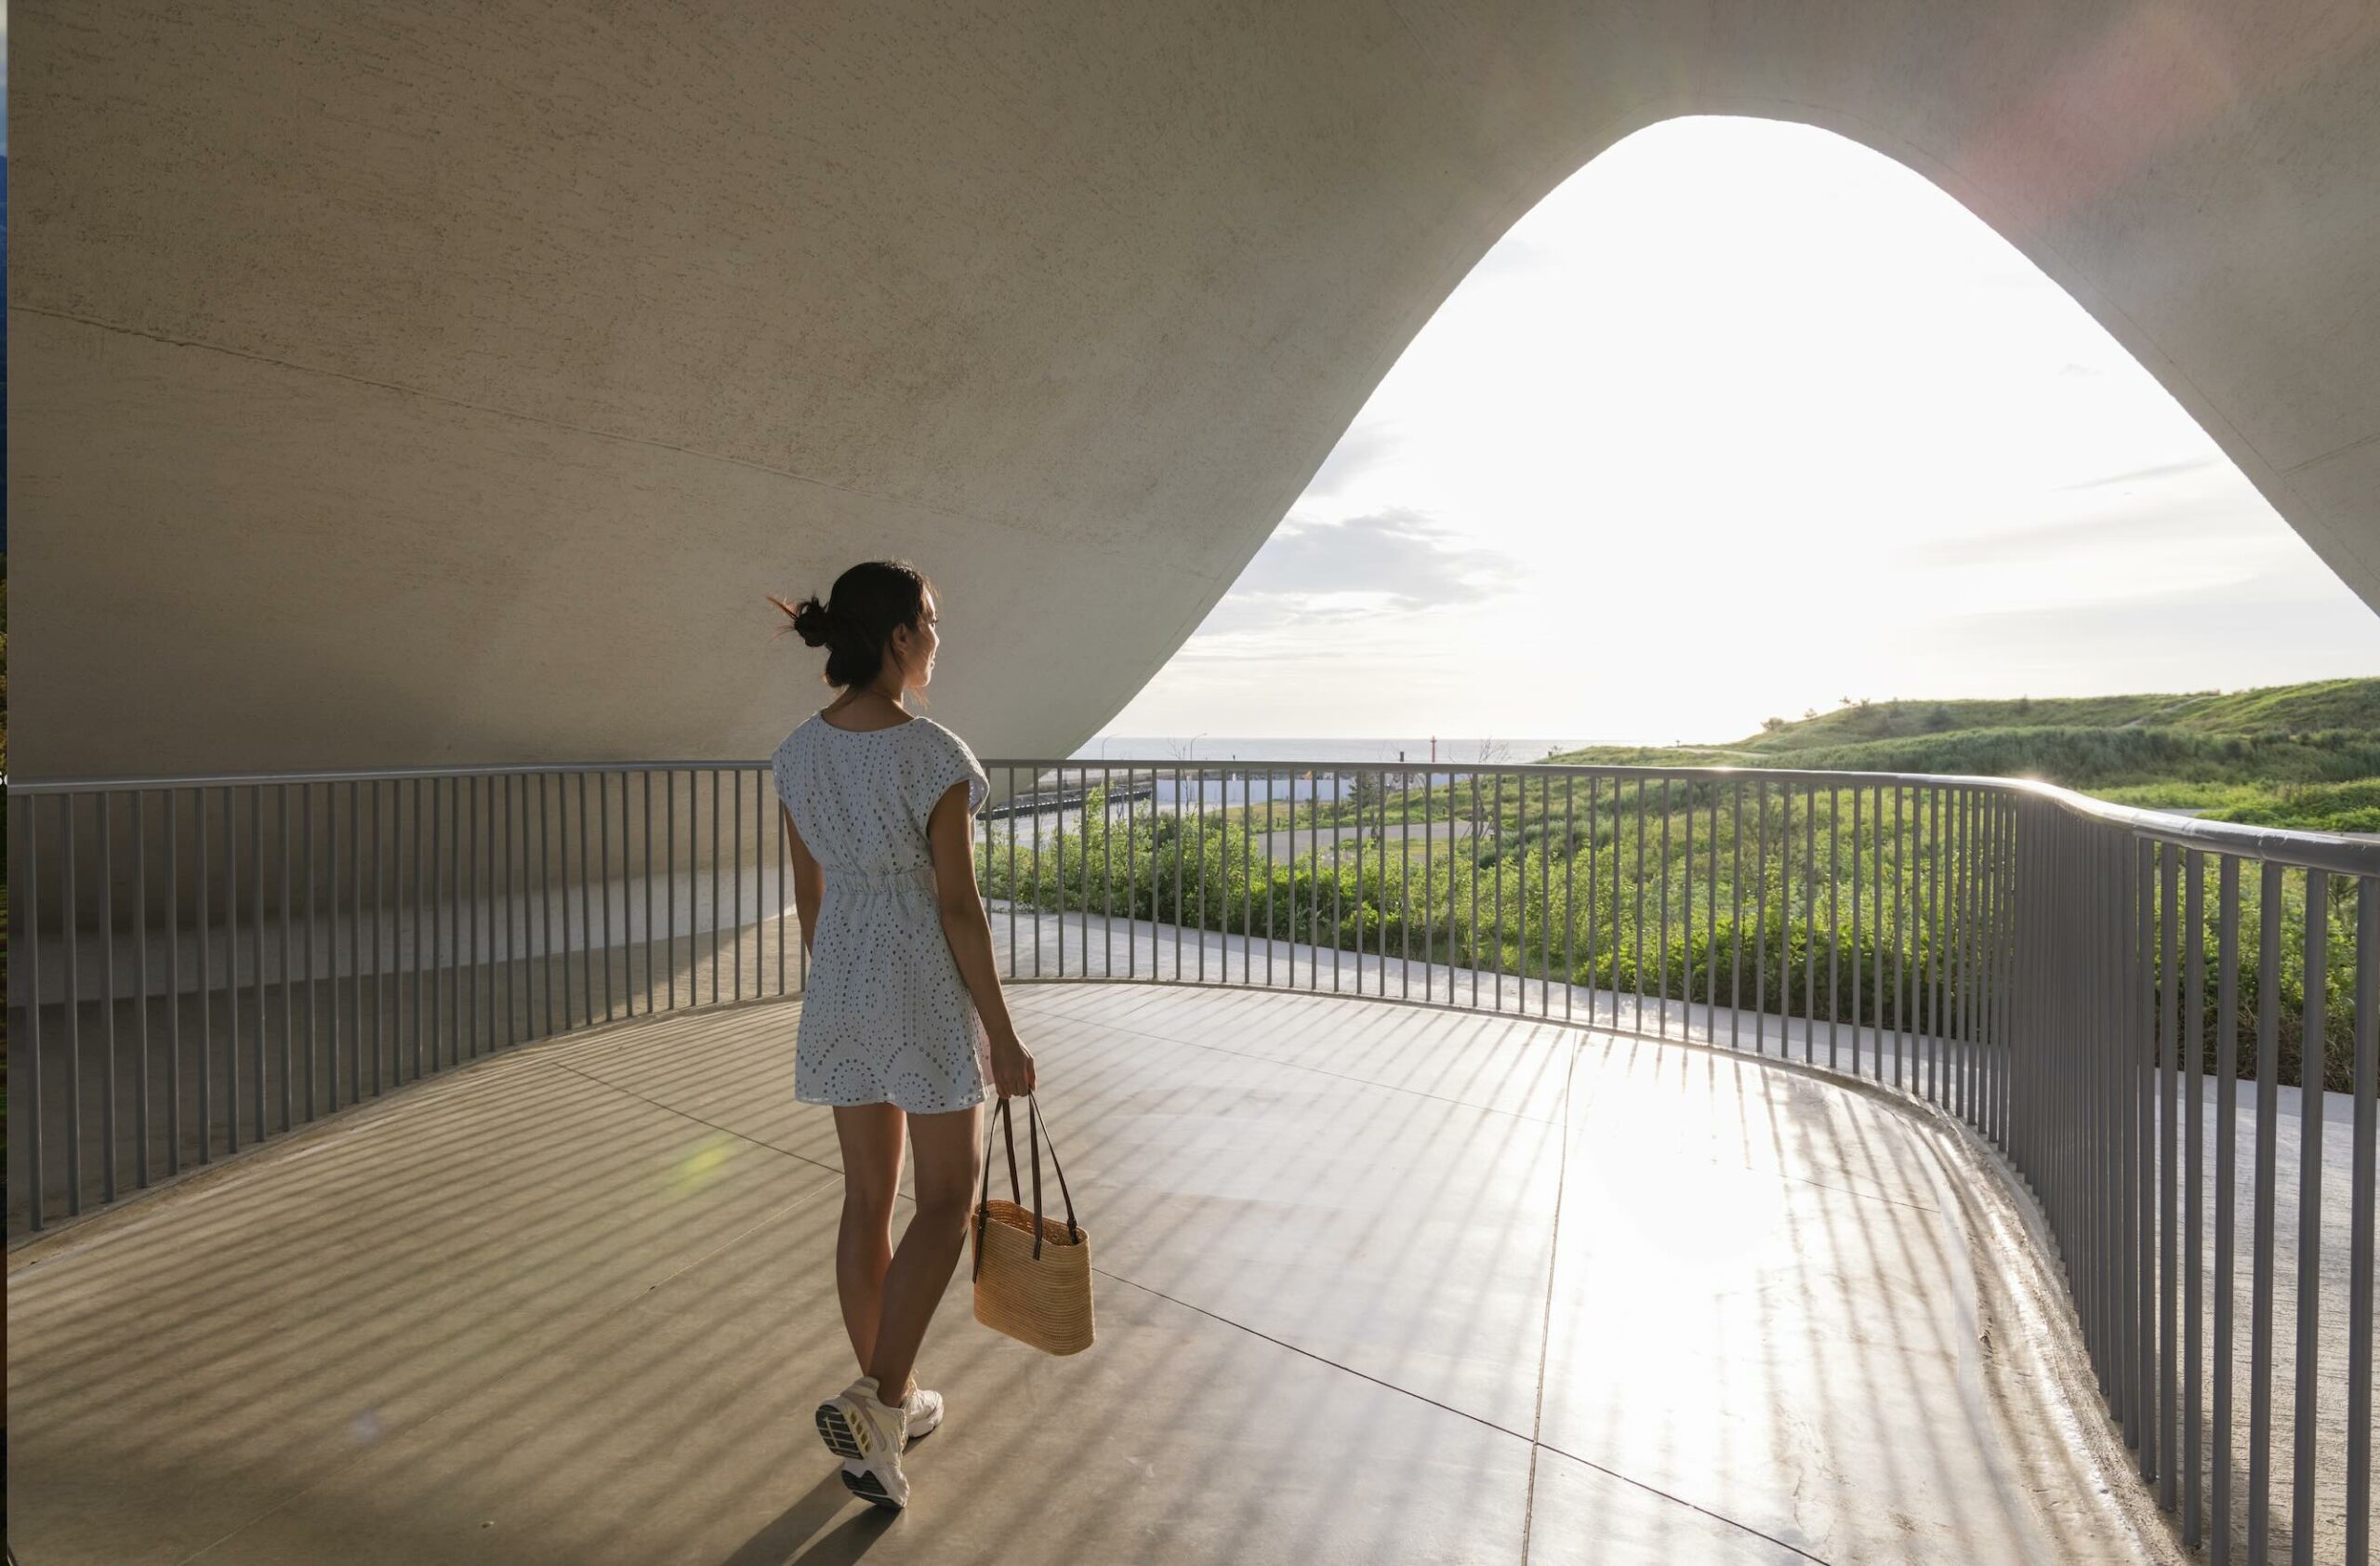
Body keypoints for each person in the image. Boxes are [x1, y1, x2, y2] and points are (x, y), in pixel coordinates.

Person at [765, 560, 1038, 1512]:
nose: (937, 637)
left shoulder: (797, 752)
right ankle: (881, 1397)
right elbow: (958, 907)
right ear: (895, 637)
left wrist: (840, 979)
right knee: (948, 1198)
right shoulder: (931, 753)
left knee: (868, 1198)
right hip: (920, 982)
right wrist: (1002, 1035)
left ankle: (892, 1403)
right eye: (931, 620)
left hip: (839, 978)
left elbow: (810, 893)